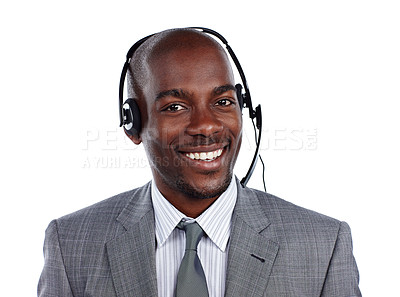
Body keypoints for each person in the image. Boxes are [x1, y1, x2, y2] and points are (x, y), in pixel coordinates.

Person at [38, 28, 361, 297]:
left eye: (222, 102)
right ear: (133, 124)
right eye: (175, 107)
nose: (206, 125)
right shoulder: (71, 244)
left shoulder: (323, 246)